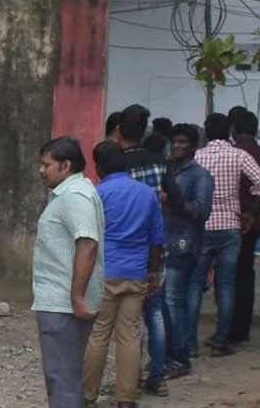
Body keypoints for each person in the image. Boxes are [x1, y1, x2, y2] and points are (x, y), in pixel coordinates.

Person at [83, 141, 164, 408]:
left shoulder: (98, 194)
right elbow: (156, 239)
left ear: (99, 166)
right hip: (136, 271)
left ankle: (87, 395)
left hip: (105, 272)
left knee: (99, 334)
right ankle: (126, 399)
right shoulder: (147, 193)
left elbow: (90, 238)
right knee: (129, 335)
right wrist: (152, 270)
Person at [33, 137, 105, 408]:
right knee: (63, 377)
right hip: (61, 302)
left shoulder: (75, 196)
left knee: (62, 380)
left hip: (63, 304)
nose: (41, 170)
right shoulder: (72, 193)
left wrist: (76, 297)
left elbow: (87, 244)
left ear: (65, 165)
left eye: (46, 165)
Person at [116, 104, 181, 397]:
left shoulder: (117, 165)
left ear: (119, 131)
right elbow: (176, 199)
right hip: (155, 247)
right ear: (145, 132)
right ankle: (157, 376)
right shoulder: (160, 161)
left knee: (127, 322)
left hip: (123, 252)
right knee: (154, 312)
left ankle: (128, 381)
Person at [188, 112, 260, 356]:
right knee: (227, 284)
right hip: (231, 225)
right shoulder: (238, 155)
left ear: (205, 132)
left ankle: (189, 343)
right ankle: (221, 340)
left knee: (196, 283)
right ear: (229, 131)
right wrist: (250, 211)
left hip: (203, 226)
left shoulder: (196, 156)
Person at [162, 123, 213, 378]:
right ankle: (167, 357)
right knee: (163, 305)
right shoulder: (167, 170)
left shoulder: (199, 175)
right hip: (165, 243)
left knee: (174, 302)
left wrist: (175, 202)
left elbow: (202, 211)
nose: (177, 146)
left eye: (183, 142)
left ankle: (180, 359)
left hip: (185, 244)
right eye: (175, 141)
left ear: (194, 147)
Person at [228, 111, 260, 344]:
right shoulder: (257, 150)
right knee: (245, 272)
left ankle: (233, 328)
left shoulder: (236, 153)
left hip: (238, 219)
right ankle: (241, 326)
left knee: (233, 275)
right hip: (253, 219)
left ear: (234, 129)